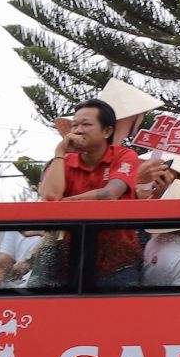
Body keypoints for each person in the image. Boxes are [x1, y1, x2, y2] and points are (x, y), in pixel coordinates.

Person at [39, 99, 144, 288]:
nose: (78, 130)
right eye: (75, 125)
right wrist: (60, 151)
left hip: (119, 267)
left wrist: (64, 202)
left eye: (86, 124)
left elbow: (109, 194)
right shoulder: (64, 160)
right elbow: (49, 200)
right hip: (70, 266)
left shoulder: (124, 156)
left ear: (107, 131)